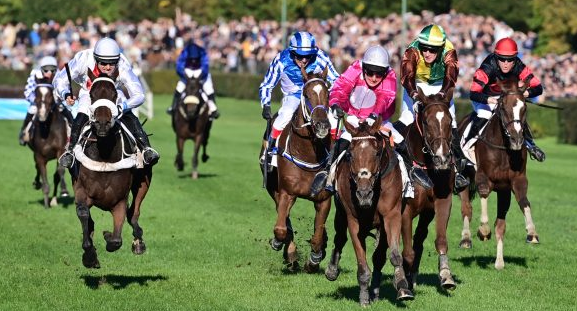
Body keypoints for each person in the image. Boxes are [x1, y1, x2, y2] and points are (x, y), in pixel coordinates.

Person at [310, 45, 432, 196]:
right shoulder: (355, 68)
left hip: (379, 121)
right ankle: (327, 173)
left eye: (379, 74)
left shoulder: (390, 75)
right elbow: (341, 88)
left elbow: (385, 97)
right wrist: (335, 104)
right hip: (355, 119)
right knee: (343, 141)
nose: (374, 77)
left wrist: (374, 115)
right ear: (364, 67)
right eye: (370, 72)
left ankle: (412, 171)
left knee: (400, 140)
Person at [54, 37, 160, 168]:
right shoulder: (83, 58)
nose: (108, 67)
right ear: (95, 59)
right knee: (81, 114)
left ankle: (145, 149)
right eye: (103, 63)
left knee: (129, 115)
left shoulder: (123, 64)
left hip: (113, 93)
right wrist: (65, 93)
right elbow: (59, 80)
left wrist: (123, 107)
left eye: (112, 63)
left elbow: (139, 95)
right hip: (89, 93)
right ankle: (70, 152)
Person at [397, 24, 468, 189]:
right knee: (407, 118)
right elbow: (407, 76)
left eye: (432, 50)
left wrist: (443, 94)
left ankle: (458, 172)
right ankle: (399, 163)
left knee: (452, 121)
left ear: (441, 48)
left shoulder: (449, 51)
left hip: (439, 85)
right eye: (425, 48)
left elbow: (450, 77)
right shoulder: (412, 51)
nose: (427, 53)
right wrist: (414, 93)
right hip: (417, 83)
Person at [259, 31, 339, 170]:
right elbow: (267, 84)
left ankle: (336, 156)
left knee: (333, 119)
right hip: (293, 96)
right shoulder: (281, 60)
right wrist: (266, 104)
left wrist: (334, 100)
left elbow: (337, 80)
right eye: (300, 56)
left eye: (307, 56)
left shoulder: (320, 57)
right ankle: (270, 152)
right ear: (292, 52)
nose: (304, 60)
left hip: (317, 97)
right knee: (284, 116)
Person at [464, 37, 545, 162]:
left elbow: (538, 87)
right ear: (496, 57)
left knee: (516, 113)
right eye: (502, 59)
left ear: (515, 58)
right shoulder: (487, 67)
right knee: (485, 113)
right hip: (485, 97)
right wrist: (489, 99)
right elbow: (473, 93)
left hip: (505, 96)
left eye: (510, 59)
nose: (506, 63)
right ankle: (466, 146)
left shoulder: (519, 65)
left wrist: (525, 94)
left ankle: (531, 145)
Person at [19, 56, 73, 146]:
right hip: (38, 102)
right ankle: (24, 132)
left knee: (67, 112)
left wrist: (59, 98)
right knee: (32, 110)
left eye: (52, 70)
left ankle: (73, 134)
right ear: (41, 69)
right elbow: (28, 91)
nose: (49, 73)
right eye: (46, 70)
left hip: (55, 101)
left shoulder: (59, 75)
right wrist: (37, 101)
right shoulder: (35, 74)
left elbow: (65, 89)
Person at [167, 41, 220, 120]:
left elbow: (205, 66)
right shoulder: (184, 52)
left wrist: (200, 76)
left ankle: (213, 110)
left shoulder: (202, 52)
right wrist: (185, 75)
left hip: (201, 73)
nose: (193, 60)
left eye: (195, 58)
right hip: (187, 72)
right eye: (192, 58)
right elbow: (179, 66)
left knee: (208, 90)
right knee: (179, 88)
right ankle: (173, 107)